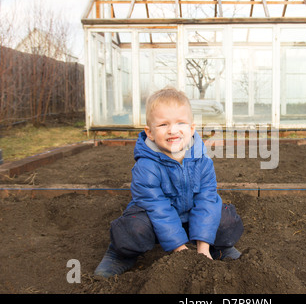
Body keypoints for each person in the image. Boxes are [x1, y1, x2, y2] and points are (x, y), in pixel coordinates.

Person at [94, 87, 244, 278]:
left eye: (180, 123)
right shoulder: (146, 166)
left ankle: (218, 248)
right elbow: (159, 209)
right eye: (163, 125)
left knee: (225, 219)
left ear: (191, 129)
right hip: (154, 219)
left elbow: (207, 199)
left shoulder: (203, 160)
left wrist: (203, 248)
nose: (173, 130)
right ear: (149, 132)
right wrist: (180, 250)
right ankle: (121, 255)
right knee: (132, 229)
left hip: (190, 217)